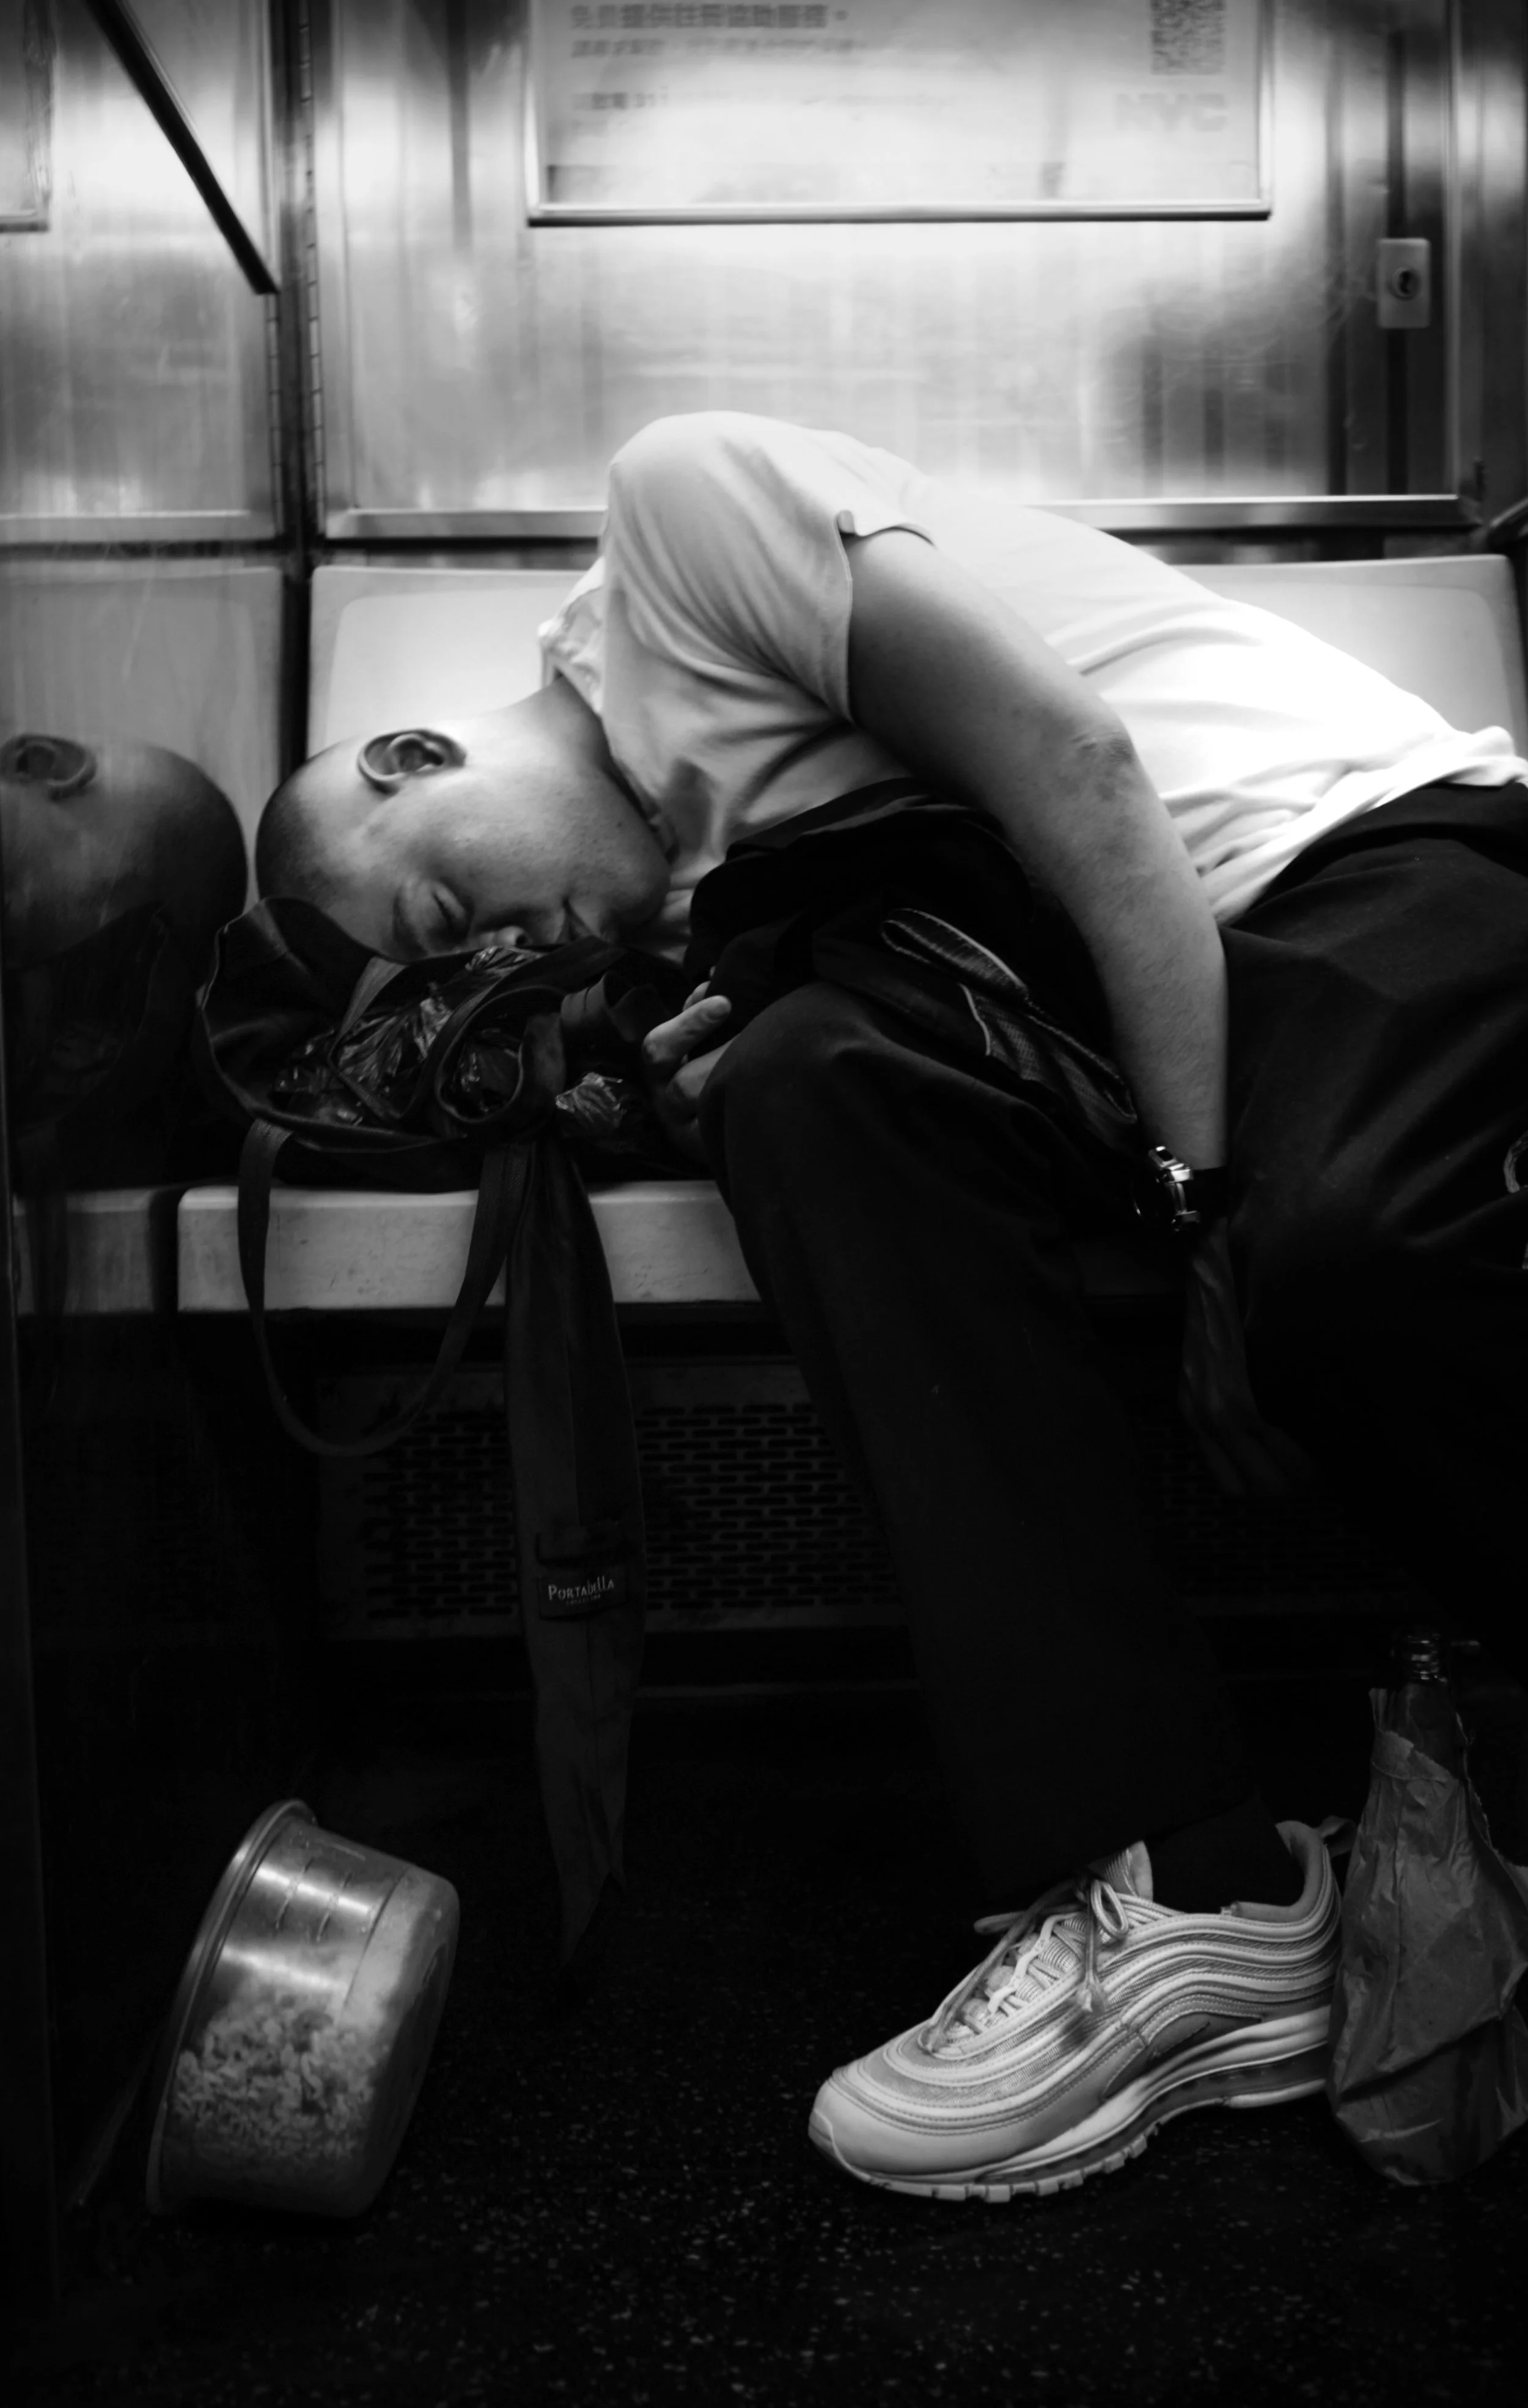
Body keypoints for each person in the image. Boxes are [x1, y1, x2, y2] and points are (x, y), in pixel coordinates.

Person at [256, 413, 1528, 2200]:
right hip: (1114, 1006)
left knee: (1337, 1273)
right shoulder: (690, 878)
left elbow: (1077, 768)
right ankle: (1185, 1877)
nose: (502, 956)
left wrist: (1201, 1216)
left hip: (1352, 872)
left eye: (451, 903)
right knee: (807, 1088)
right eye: (466, 969)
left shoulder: (681, 513)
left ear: (412, 754)